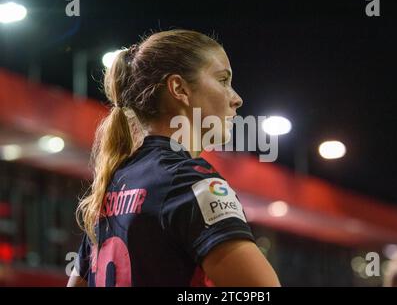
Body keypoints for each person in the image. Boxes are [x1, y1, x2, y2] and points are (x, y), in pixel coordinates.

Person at [67, 29, 280, 287]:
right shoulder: (189, 181)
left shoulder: (113, 182)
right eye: (223, 80)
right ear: (179, 88)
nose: (236, 99)